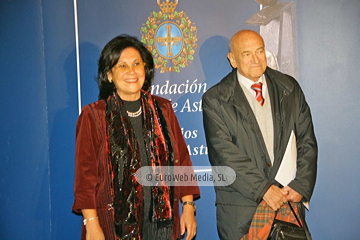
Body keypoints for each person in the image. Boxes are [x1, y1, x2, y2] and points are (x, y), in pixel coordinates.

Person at [72, 34, 200, 240]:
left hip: (162, 224)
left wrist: (188, 206)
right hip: (113, 225)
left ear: (145, 70)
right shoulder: (94, 115)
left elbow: (181, 160)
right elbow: (85, 178)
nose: (131, 71)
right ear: (109, 75)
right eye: (122, 66)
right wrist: (91, 224)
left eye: (136, 64)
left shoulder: (164, 108)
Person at [202, 29, 317, 239]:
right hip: (241, 208)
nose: (256, 59)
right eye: (246, 54)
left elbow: (307, 140)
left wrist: (302, 184)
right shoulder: (215, 99)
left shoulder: (289, 87)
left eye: (260, 51)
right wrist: (264, 189)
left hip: (287, 202)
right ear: (233, 60)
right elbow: (223, 153)